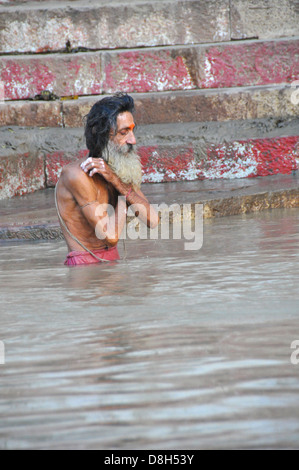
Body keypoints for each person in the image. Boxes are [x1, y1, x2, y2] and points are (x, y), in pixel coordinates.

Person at [55, 93, 159, 266]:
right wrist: (119, 185)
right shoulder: (76, 175)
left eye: (132, 130)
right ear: (102, 136)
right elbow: (110, 237)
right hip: (84, 269)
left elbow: (153, 220)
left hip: (112, 262)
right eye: (123, 133)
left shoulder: (117, 172)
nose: (133, 140)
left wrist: (119, 184)